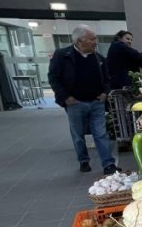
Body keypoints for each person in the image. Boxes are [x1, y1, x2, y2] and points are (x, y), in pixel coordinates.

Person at [48, 25, 119, 174]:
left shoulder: (99, 58)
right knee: (78, 134)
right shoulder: (62, 55)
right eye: (92, 39)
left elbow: (107, 79)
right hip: (75, 103)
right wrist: (65, 97)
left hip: (96, 102)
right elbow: (53, 78)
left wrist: (105, 93)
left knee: (100, 133)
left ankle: (108, 164)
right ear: (80, 41)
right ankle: (83, 160)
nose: (96, 42)